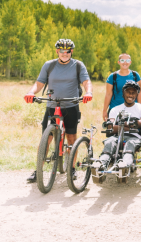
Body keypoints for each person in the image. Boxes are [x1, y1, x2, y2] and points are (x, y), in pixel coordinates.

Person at [23, 39, 93, 183]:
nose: (65, 53)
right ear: (57, 51)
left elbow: (86, 82)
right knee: (46, 139)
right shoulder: (49, 65)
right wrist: (31, 93)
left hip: (71, 105)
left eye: (68, 51)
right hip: (52, 105)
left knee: (71, 138)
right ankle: (38, 171)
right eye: (62, 51)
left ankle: (72, 169)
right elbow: (39, 83)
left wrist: (88, 93)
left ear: (71, 52)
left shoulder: (78, 65)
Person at [93, 81, 141, 173]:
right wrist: (132, 126)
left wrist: (121, 124)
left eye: (133, 92)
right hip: (117, 136)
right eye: (128, 92)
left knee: (130, 145)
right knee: (109, 142)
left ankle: (124, 165)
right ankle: (101, 165)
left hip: (134, 138)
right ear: (123, 93)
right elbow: (110, 127)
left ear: (136, 94)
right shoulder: (115, 109)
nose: (130, 94)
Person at [103, 53, 141, 121]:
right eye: (122, 60)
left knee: (132, 131)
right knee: (113, 130)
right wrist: (104, 110)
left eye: (127, 60)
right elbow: (108, 94)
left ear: (130, 62)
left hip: (132, 110)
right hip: (115, 109)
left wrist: (139, 109)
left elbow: (139, 93)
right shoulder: (113, 76)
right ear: (118, 62)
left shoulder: (135, 75)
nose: (125, 62)